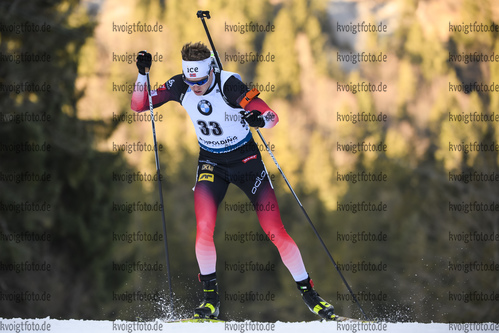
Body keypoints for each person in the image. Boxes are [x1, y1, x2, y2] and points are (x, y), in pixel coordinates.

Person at [130, 42, 335, 320]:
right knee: (203, 228)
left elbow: (272, 116)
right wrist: (142, 74)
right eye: (191, 81)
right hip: (211, 163)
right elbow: (139, 105)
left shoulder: (230, 86)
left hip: (246, 163)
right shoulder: (181, 84)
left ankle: (311, 296)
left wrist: (260, 121)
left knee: (275, 231)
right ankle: (210, 302)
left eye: (201, 80)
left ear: (211, 70)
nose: (195, 87)